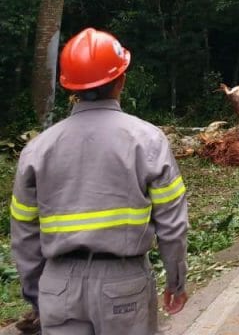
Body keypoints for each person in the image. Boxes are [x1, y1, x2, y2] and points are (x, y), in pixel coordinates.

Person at [10, 27, 188, 334]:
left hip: (58, 286)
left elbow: (23, 230)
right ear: (121, 81)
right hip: (123, 284)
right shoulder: (147, 140)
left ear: (71, 89)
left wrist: (39, 293)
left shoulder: (37, 149)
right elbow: (172, 225)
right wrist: (176, 281)